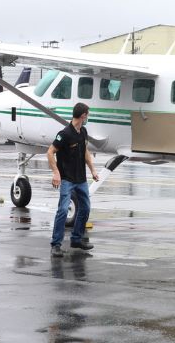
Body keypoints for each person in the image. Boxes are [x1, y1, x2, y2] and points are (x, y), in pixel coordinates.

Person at [48, 102, 99, 258]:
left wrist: (93, 170)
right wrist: (56, 173)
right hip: (67, 179)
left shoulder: (83, 131)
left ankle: (76, 239)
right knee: (63, 210)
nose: (88, 117)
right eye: (87, 114)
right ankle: (56, 244)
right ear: (83, 115)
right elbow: (50, 152)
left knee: (85, 208)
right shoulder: (64, 134)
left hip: (81, 179)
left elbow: (85, 152)